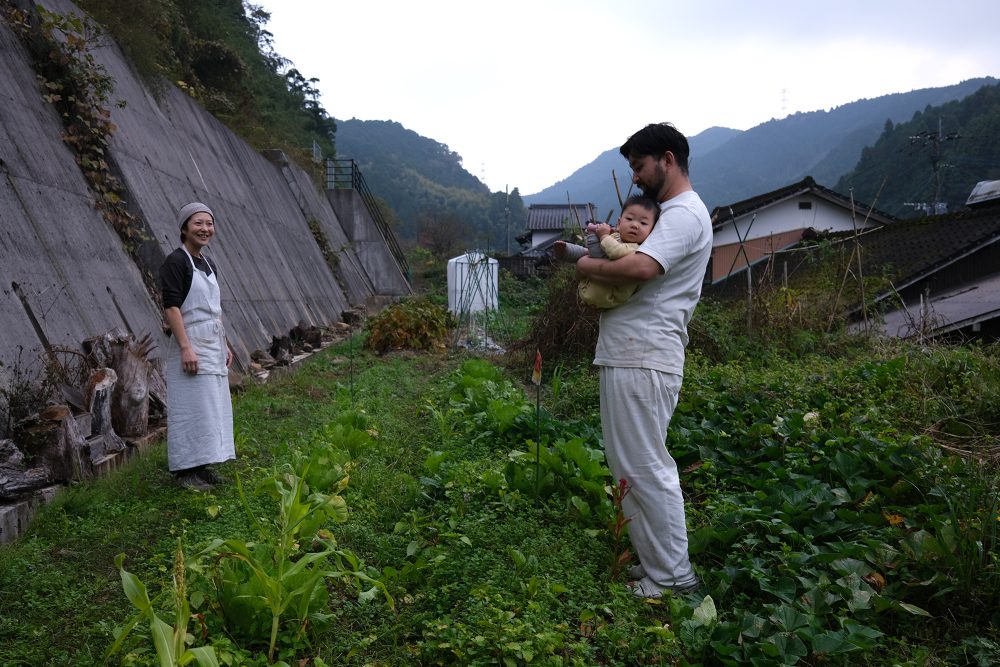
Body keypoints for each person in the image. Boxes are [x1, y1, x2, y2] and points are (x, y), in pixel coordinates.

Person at [575, 123, 712, 598]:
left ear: (667, 160)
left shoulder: (684, 214)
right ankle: (656, 564)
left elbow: (640, 266)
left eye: (639, 166)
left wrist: (583, 264)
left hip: (646, 355)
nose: (634, 178)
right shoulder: (670, 213)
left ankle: (675, 578)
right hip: (633, 353)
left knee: (647, 465)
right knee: (628, 464)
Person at [158, 202, 235, 492]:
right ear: (184, 228)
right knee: (189, 406)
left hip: (211, 341)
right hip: (190, 341)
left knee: (210, 406)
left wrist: (224, 344)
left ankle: (202, 465)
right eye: (198, 223)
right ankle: (185, 471)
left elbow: (214, 309)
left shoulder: (208, 263)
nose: (205, 229)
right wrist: (186, 348)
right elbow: (172, 307)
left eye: (209, 223)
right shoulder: (176, 262)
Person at [554, 195, 660, 308]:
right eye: (629, 219)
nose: (634, 225)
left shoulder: (637, 248)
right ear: (619, 223)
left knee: (597, 252)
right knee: (590, 252)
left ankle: (571, 251)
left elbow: (615, 251)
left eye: (643, 223)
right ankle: (567, 251)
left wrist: (603, 235)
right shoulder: (615, 236)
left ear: (652, 230)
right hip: (589, 287)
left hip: (609, 295)